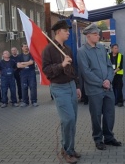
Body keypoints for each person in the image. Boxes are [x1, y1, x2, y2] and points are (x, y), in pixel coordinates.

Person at [42, 20, 81, 164]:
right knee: (68, 119)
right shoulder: (49, 49)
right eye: (66, 31)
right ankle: (65, 150)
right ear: (58, 32)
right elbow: (46, 70)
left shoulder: (67, 49)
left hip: (71, 86)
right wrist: (61, 65)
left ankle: (70, 149)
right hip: (59, 88)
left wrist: (77, 86)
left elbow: (72, 69)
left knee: (73, 120)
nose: (68, 33)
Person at [77, 24, 121, 151]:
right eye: (95, 34)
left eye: (98, 34)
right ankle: (98, 139)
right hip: (95, 90)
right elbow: (86, 72)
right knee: (96, 115)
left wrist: (108, 80)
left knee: (109, 114)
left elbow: (108, 66)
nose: (98, 36)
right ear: (88, 35)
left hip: (108, 88)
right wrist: (101, 83)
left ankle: (109, 137)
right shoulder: (82, 51)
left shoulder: (102, 48)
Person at [17, 43, 38, 107]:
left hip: (31, 72)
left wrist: (22, 63)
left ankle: (34, 101)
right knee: (24, 87)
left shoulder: (32, 55)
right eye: (24, 46)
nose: (26, 47)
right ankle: (25, 102)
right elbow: (18, 66)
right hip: (23, 73)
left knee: (33, 87)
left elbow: (32, 62)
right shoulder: (19, 56)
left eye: (27, 46)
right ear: (22, 48)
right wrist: (28, 63)